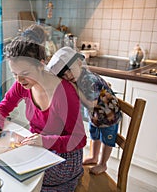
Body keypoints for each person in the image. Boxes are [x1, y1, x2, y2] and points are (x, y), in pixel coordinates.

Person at [0, 36, 86, 192]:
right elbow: (3, 107)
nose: (19, 80)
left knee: (11, 176)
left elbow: (79, 139)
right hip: (37, 147)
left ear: (41, 64)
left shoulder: (64, 94)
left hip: (64, 156)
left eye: (24, 73)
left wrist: (45, 141)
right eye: (14, 74)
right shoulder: (23, 84)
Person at [47, 46, 122, 175]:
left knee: (107, 140)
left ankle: (102, 164)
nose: (68, 76)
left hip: (109, 116)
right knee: (94, 135)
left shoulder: (89, 80)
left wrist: (75, 90)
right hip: (95, 116)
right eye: (64, 75)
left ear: (79, 63)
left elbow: (91, 104)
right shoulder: (78, 78)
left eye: (69, 71)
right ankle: (94, 156)